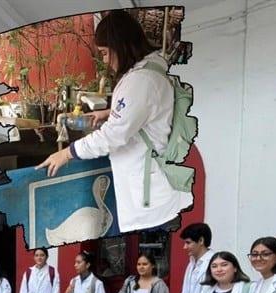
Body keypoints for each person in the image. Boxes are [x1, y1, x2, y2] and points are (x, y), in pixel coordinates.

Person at [37, 10, 192, 233]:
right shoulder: (152, 70)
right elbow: (145, 110)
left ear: (121, 46)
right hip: (152, 192)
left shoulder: (139, 81)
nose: (105, 60)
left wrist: (67, 152)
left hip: (151, 203)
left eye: (105, 53)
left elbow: (112, 136)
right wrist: (111, 112)